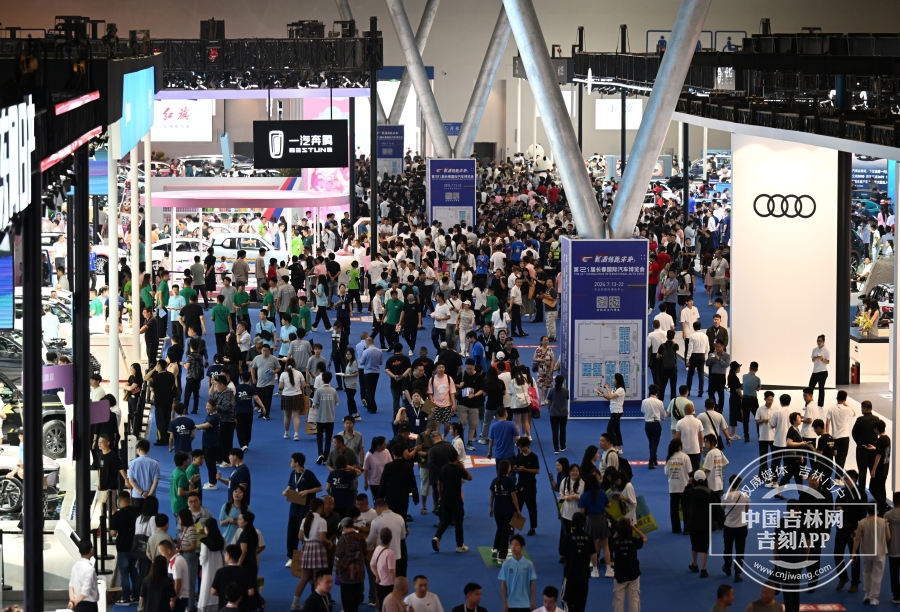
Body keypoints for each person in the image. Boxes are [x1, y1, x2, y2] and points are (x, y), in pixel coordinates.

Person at [432, 448, 472, 553]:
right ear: (457, 458)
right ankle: (459, 545)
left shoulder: (443, 469)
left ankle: (437, 536)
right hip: (456, 500)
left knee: (445, 520)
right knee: (458, 522)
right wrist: (463, 468)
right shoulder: (458, 470)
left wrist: (440, 496)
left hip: (445, 499)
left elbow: (439, 484)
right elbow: (469, 477)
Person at [294, 498, 330, 610]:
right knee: (317, 578)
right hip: (317, 549)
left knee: (304, 578)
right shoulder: (322, 521)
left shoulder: (305, 519)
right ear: (320, 507)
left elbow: (300, 536)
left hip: (306, 548)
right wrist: (329, 543)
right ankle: (317, 604)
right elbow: (322, 538)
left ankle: (295, 603)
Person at [610, 518, 648, 612]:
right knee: (634, 598)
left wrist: (618, 530)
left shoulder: (615, 542)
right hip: (633, 573)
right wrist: (634, 527)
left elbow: (612, 542)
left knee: (619, 600)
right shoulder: (634, 541)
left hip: (620, 574)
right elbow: (644, 538)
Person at [335, 516, 368, 612]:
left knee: (347, 600)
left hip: (346, 574)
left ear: (344, 527)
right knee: (356, 598)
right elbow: (365, 552)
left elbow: (338, 553)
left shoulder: (343, 538)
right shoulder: (360, 537)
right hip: (359, 573)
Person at [689, 470, 717, 578]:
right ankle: (703, 569)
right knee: (704, 546)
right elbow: (715, 508)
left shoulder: (691, 491)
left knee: (694, 544)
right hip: (706, 522)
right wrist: (716, 520)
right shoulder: (710, 493)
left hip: (694, 521)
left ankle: (694, 564)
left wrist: (688, 485)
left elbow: (684, 499)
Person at [211, 545, 256, 612]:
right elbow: (251, 592)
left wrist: (224, 594)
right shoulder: (245, 572)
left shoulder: (220, 572)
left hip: (224, 605)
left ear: (228, 557)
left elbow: (213, 591)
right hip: (241, 606)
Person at [721, 474, 749, 582]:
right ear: (740, 485)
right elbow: (746, 510)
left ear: (729, 484)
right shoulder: (745, 496)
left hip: (729, 526)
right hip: (741, 527)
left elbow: (722, 507)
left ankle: (727, 567)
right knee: (740, 551)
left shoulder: (725, 496)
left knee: (727, 548)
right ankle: (738, 573)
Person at [499, 534, 536, 612]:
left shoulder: (529, 564)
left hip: (525, 603)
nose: (513, 547)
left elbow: (532, 583)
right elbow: (503, 584)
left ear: (522, 547)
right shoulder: (506, 564)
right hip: (511, 603)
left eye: (516, 545)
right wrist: (504, 602)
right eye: (512, 544)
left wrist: (533, 600)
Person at [514, 436, 540, 535]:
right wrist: (516, 468)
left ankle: (533, 528)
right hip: (520, 484)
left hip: (530, 486)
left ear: (527, 446)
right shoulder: (519, 456)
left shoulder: (534, 457)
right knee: (517, 507)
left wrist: (525, 469)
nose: (520, 449)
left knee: (531, 507)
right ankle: (514, 527)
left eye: (522, 447)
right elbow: (516, 467)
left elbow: (537, 470)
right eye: (519, 447)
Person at [311, 371, 340, 464]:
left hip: (320, 418)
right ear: (330, 380)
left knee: (319, 436)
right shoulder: (333, 390)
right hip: (330, 418)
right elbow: (337, 403)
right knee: (328, 437)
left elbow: (314, 403)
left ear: (322, 379)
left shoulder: (319, 390)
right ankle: (326, 457)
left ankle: (320, 453)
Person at [664, 438, 691, 534]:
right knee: (686, 508)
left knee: (674, 508)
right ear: (680, 446)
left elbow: (666, 472)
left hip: (673, 486)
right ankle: (687, 529)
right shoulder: (685, 457)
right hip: (684, 485)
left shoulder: (669, 458)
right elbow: (689, 470)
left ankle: (676, 528)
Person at [826, 390, 856, 473]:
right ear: (845, 399)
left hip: (834, 437)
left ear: (836, 398)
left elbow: (827, 423)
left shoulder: (831, 408)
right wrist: (846, 404)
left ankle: (830, 474)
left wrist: (827, 435)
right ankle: (838, 477)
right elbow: (854, 413)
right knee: (842, 458)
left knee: (833, 456)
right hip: (844, 437)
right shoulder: (847, 409)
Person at [127, 438, 161, 509]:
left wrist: (142, 493)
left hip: (137, 496)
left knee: (137, 515)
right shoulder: (155, 463)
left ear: (138, 450)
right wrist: (149, 494)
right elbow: (156, 482)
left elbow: (131, 481)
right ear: (148, 450)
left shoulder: (133, 463)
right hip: (151, 497)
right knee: (151, 516)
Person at [370, 527, 398, 610]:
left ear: (380, 538)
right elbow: (391, 571)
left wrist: (377, 576)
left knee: (381, 605)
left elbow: (372, 565)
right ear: (391, 538)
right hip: (388, 584)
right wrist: (395, 584)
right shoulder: (390, 553)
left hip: (379, 583)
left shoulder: (377, 548)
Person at [68, 539, 99, 612]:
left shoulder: (75, 566)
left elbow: (71, 585)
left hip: (77, 604)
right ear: (92, 550)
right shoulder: (90, 569)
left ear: (79, 551)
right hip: (88, 606)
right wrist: (75, 602)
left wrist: (72, 601)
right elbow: (86, 591)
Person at [597, 373, 625, 451]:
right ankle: (619, 448)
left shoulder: (621, 389)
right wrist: (602, 393)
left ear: (617, 380)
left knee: (609, 429)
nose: (613, 380)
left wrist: (607, 388)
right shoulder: (615, 389)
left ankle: (615, 446)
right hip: (614, 411)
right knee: (617, 430)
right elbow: (609, 398)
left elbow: (611, 396)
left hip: (617, 411)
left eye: (614, 379)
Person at [641, 384, 666, 468]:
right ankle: (651, 462)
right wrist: (663, 418)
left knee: (651, 442)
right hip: (656, 424)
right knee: (655, 443)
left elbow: (642, 410)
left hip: (647, 424)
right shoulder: (659, 402)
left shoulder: (644, 401)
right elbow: (663, 414)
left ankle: (654, 460)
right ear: (657, 392)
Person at [676, 403, 704, 472]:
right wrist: (701, 447)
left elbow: (677, 438)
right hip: (695, 450)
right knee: (695, 470)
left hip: (684, 450)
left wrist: (678, 449)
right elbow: (701, 437)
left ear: (684, 410)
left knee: (684, 470)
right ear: (693, 410)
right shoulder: (698, 422)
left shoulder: (679, 422)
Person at [809, 334, 830, 407]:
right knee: (810, 387)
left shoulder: (826, 351)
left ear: (823, 342)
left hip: (823, 371)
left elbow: (828, 362)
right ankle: (808, 403)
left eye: (820, 341)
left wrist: (822, 359)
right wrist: (815, 358)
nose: (819, 342)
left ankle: (820, 405)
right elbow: (812, 360)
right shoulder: (814, 349)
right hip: (815, 371)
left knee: (821, 388)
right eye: (818, 341)